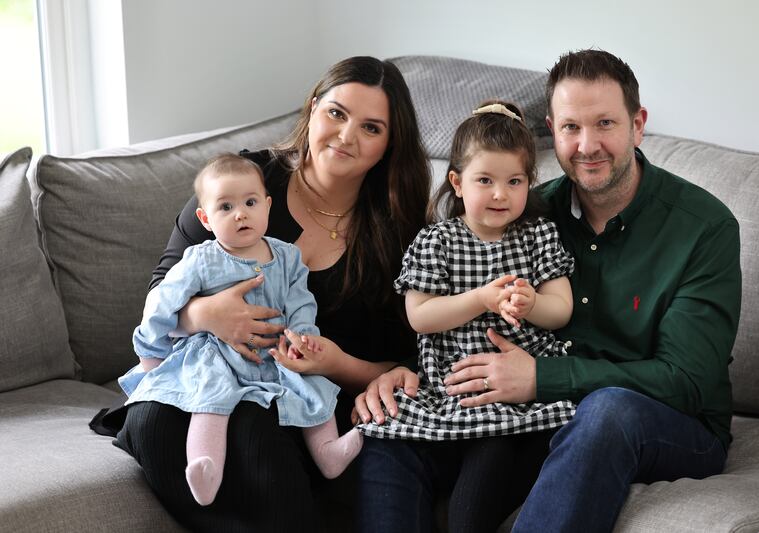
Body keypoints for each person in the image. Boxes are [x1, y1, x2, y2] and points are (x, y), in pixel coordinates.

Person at [354, 49, 741, 533]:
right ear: (552, 132)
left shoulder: (704, 227)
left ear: (638, 125)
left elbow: (686, 382)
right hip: (539, 413)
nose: (588, 145)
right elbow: (453, 312)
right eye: (571, 128)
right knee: (391, 436)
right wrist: (400, 372)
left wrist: (543, 378)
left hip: (667, 422)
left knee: (608, 409)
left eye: (605, 123)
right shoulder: (526, 213)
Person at [92, 56, 430, 532]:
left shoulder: (400, 234)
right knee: (149, 424)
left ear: (389, 144)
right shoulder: (243, 182)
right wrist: (208, 314)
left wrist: (333, 362)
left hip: (305, 396)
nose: (346, 135)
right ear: (313, 109)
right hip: (201, 368)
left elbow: (409, 362)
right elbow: (162, 289)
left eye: (371, 127)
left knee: (254, 432)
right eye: (336, 113)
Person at [119, 154, 363, 507]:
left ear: (266, 206)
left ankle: (329, 453)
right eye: (225, 207)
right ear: (205, 218)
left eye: (250, 203)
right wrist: (149, 355)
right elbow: (162, 303)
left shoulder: (286, 257)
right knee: (211, 396)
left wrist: (302, 337)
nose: (240, 214)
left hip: (276, 352)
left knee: (314, 385)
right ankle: (206, 466)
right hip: (218, 353)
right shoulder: (202, 259)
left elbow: (300, 303)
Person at [360, 100, 575, 441]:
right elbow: (420, 316)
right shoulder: (436, 240)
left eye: (514, 181)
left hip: (519, 389)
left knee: (498, 456)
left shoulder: (538, 235)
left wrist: (532, 303)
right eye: (485, 180)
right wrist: (481, 299)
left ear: (529, 182)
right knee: (385, 436)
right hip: (449, 386)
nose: (500, 194)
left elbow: (561, 311)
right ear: (457, 183)